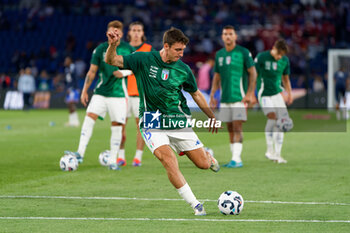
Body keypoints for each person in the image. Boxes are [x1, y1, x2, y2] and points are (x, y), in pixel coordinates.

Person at [105, 27, 220, 215]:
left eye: (183, 50)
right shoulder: (143, 59)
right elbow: (112, 60)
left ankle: (207, 156)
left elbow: (196, 93)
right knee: (168, 159)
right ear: (166, 46)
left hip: (177, 121)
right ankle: (195, 204)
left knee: (203, 165)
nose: (181, 54)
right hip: (151, 121)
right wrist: (112, 45)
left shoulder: (183, 69)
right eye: (177, 50)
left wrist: (212, 117)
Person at [65, 20, 135, 170]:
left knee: (117, 126)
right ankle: (80, 153)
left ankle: (113, 161)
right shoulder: (100, 49)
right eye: (111, 32)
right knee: (89, 118)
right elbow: (92, 71)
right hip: (101, 92)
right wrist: (84, 90)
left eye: (116, 32)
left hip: (119, 95)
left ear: (121, 33)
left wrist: (122, 72)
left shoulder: (128, 49)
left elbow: (138, 67)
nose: (113, 34)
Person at [209, 25, 257, 168]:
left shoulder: (243, 52)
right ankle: (233, 159)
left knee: (237, 126)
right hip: (225, 98)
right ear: (222, 37)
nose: (228, 36)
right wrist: (212, 94)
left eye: (230, 34)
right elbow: (216, 76)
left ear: (235, 36)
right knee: (229, 127)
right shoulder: (219, 55)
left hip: (239, 97)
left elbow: (253, 73)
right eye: (225, 34)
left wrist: (249, 93)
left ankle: (237, 158)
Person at [117, 21, 154, 167]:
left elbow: (147, 69)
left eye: (139, 30)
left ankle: (137, 158)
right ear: (129, 33)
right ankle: (121, 156)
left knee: (142, 127)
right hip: (123, 95)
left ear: (143, 33)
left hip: (141, 94)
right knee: (119, 126)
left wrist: (126, 72)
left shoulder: (148, 49)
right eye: (134, 30)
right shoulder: (123, 49)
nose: (137, 32)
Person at [255, 39, 293, 164]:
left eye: (282, 55)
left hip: (277, 94)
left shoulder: (284, 61)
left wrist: (289, 94)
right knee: (272, 117)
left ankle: (277, 155)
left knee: (282, 122)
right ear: (274, 48)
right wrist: (250, 93)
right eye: (279, 54)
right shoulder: (262, 57)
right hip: (264, 93)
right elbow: (252, 75)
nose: (280, 57)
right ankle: (269, 150)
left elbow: (286, 79)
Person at [63, 56, 80, 127]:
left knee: (71, 104)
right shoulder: (66, 69)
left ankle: (76, 121)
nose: (65, 62)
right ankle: (71, 121)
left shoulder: (73, 68)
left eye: (66, 61)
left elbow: (75, 79)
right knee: (69, 105)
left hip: (73, 89)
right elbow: (67, 80)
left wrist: (72, 88)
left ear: (70, 61)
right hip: (69, 89)